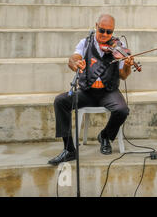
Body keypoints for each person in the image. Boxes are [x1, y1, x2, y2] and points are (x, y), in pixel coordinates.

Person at [47, 14, 136, 165]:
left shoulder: (118, 48)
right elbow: (73, 58)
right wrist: (76, 64)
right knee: (60, 101)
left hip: (109, 91)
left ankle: (105, 136)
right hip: (87, 91)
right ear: (96, 26)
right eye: (102, 30)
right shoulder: (85, 43)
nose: (105, 35)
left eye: (109, 32)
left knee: (122, 110)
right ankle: (69, 149)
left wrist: (127, 65)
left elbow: (123, 76)